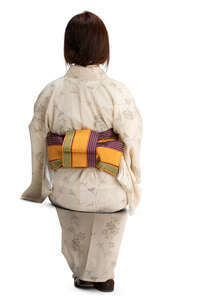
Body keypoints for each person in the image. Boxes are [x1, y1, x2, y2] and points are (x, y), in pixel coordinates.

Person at [20, 11, 143, 292]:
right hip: (110, 188)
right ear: (104, 48)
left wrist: (39, 185)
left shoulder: (51, 92)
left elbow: (37, 137)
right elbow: (133, 137)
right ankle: (103, 275)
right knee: (109, 218)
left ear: (68, 47)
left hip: (68, 191)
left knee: (74, 217)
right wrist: (134, 178)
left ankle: (83, 272)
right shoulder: (117, 91)